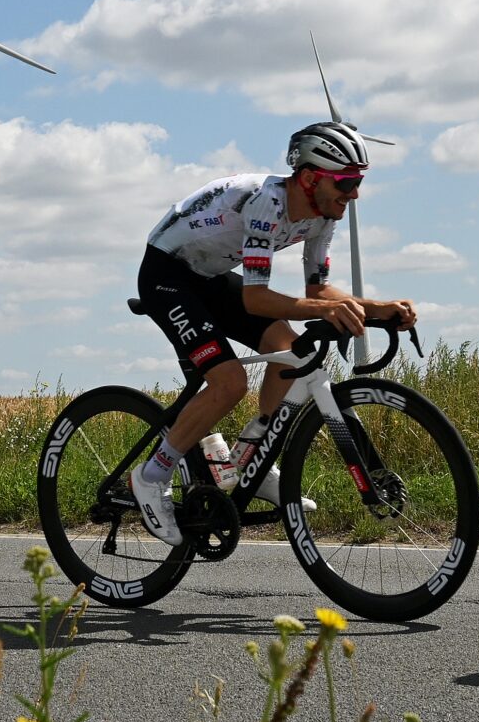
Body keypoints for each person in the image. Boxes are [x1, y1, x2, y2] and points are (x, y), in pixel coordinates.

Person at [125, 123, 417, 547]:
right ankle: (151, 477)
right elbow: (258, 300)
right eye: (347, 182)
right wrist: (328, 309)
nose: (354, 194)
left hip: (210, 276)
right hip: (167, 275)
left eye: (359, 183)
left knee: (291, 353)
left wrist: (376, 309)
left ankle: (252, 461)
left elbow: (318, 291)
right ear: (311, 177)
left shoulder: (322, 214)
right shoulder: (267, 202)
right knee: (229, 383)